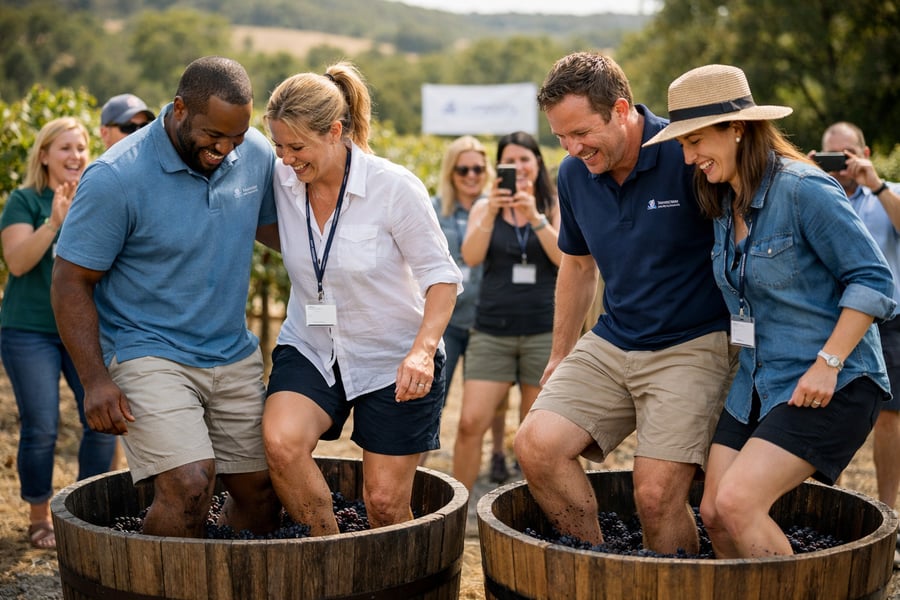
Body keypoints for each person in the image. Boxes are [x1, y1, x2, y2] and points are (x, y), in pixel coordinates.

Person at [643, 64, 894, 559]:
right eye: (683, 146)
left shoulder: (804, 189)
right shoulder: (721, 199)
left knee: (738, 505)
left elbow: (873, 278)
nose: (690, 158)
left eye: (695, 142)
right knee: (713, 512)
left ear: (737, 128)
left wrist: (829, 363)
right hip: (757, 382)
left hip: (830, 382)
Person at [50, 56, 282, 539]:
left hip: (232, 351)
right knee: (190, 484)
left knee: (261, 490)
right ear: (179, 109)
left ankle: (223, 582)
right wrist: (94, 380)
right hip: (147, 351)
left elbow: (276, 232)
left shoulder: (254, 153)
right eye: (214, 136)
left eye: (235, 138)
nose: (225, 149)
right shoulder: (116, 177)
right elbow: (70, 281)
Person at [513, 52, 734, 555]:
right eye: (559, 137)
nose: (571, 148)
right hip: (615, 338)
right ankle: (599, 567)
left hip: (693, 342)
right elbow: (577, 264)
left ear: (620, 108)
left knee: (655, 497)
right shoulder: (572, 175)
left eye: (581, 133)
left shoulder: (686, 153)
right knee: (535, 446)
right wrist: (560, 351)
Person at [261, 62, 462, 537]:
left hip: (392, 356)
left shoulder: (393, 189)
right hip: (312, 345)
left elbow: (441, 278)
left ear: (335, 131)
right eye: (278, 146)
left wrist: (422, 350)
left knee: (386, 505)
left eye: (297, 147)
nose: (287, 159)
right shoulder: (282, 181)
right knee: (280, 443)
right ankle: (330, 560)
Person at [0, 117, 116, 550]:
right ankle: (38, 516)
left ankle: (86, 511)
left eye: (82, 147)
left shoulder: (97, 199)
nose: (75, 156)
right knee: (42, 425)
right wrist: (53, 222)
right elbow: (17, 263)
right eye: (65, 148)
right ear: (44, 155)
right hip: (28, 331)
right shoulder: (24, 201)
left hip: (81, 330)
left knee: (104, 418)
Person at [452, 131, 561, 491]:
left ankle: (530, 509)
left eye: (524, 160)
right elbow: (471, 256)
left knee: (533, 432)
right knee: (470, 423)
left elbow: (564, 259)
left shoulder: (554, 205)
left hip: (543, 329)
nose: (518, 168)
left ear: (537, 163)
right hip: (491, 331)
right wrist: (493, 211)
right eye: (509, 162)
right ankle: (456, 511)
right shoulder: (486, 206)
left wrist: (535, 218)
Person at [815, 122, 900, 512]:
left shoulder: (890, 193)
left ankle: (889, 509)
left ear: (864, 155)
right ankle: (831, 505)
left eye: (846, 155)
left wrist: (878, 186)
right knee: (824, 410)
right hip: (829, 319)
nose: (841, 165)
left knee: (889, 418)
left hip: (887, 320)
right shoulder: (816, 194)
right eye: (833, 156)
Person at [429, 135, 510, 481]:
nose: (472, 175)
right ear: (451, 172)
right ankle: (418, 469)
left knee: (490, 403)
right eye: (464, 168)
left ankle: (496, 456)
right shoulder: (434, 209)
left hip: (487, 319)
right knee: (435, 395)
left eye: (479, 168)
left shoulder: (501, 208)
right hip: (448, 321)